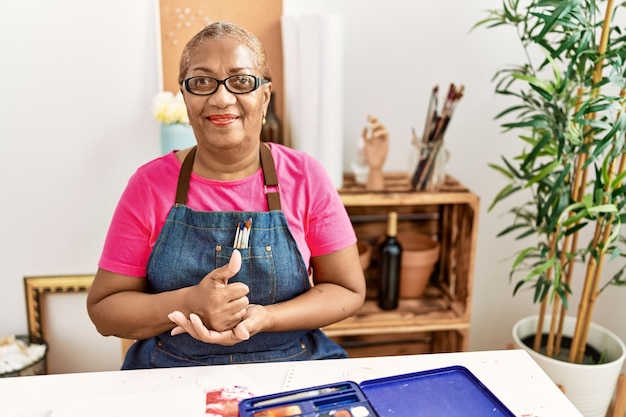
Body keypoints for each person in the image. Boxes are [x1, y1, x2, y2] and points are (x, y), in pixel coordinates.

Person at [86, 21, 366, 369]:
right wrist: (190, 302)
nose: (221, 97)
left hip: (290, 367)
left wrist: (265, 317)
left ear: (264, 96)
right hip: (168, 371)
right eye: (202, 82)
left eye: (241, 81)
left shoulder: (305, 176)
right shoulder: (148, 185)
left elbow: (348, 290)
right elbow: (105, 311)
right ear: (186, 97)